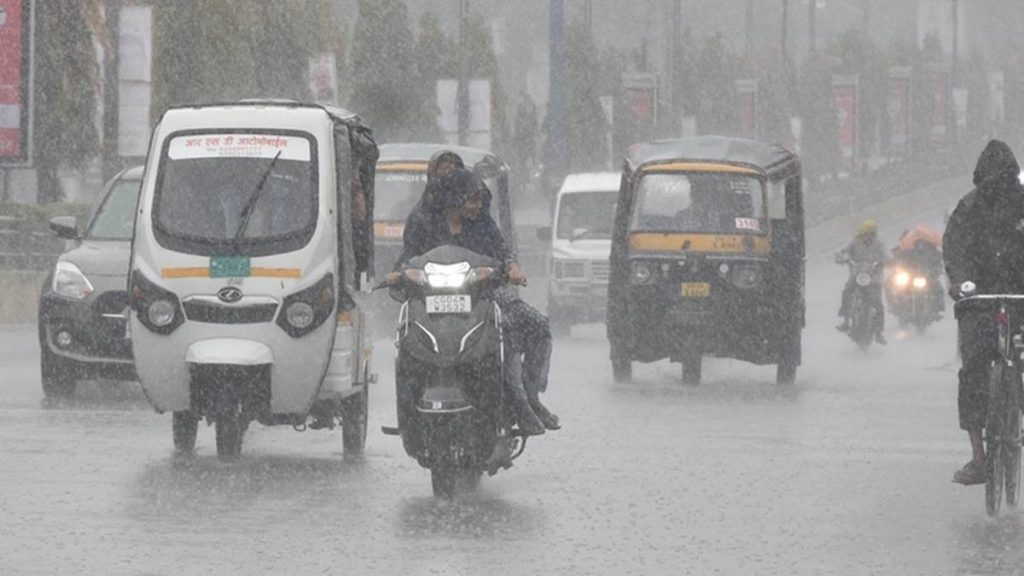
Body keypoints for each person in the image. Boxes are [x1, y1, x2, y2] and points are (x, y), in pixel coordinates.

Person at [388, 168, 560, 435]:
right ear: (453, 198)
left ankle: (528, 397)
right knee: (408, 342)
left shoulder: (482, 222)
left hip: (482, 295)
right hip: (430, 299)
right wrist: (399, 274)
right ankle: (410, 412)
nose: (476, 206)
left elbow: (502, 251)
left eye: (479, 200)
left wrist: (511, 268)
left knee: (536, 326)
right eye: (471, 200)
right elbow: (409, 256)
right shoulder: (424, 221)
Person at [944, 139, 1024, 485]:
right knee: (973, 371)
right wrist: (960, 282)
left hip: (1020, 295)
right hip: (979, 299)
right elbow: (955, 247)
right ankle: (979, 457)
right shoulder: (969, 208)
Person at [835, 219, 888, 344]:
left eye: (871, 234)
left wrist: (886, 261)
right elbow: (841, 251)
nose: (868, 237)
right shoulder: (854, 241)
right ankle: (846, 320)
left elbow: (887, 254)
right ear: (861, 234)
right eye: (866, 234)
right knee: (847, 292)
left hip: (873, 278)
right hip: (857, 275)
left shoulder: (879, 243)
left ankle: (879, 332)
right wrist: (841, 257)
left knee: (878, 304)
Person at [890, 225, 945, 318]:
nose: (920, 244)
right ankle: (897, 307)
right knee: (896, 287)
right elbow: (899, 261)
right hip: (910, 278)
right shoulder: (905, 251)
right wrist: (899, 269)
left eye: (923, 241)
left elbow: (938, 262)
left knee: (938, 288)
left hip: (926, 277)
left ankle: (937, 309)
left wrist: (937, 270)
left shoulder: (933, 252)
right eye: (918, 241)